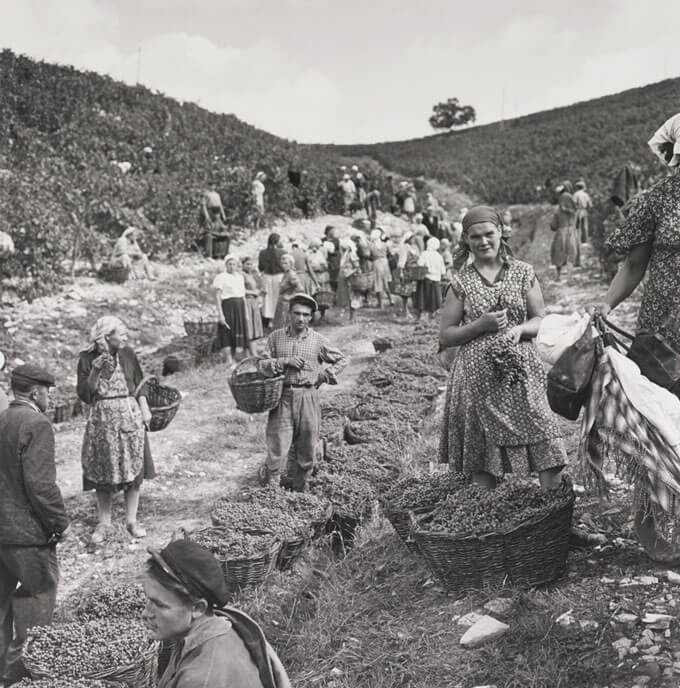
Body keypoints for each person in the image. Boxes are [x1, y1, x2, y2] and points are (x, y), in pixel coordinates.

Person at [588, 114, 680, 561]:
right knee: (653, 424)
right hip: (664, 328)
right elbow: (634, 266)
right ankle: (649, 526)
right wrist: (607, 304)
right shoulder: (656, 201)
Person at [439, 206, 567, 491]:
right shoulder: (461, 282)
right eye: (475, 237)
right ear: (466, 240)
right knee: (483, 454)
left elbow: (539, 318)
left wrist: (520, 329)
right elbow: (446, 335)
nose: (483, 242)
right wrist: (480, 325)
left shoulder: (523, 273)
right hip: (476, 377)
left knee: (546, 436)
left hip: (520, 372)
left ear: (501, 234)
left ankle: (554, 514)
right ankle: (489, 522)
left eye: (489, 234)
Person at [0, 364, 69, 686]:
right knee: (37, 601)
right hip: (26, 536)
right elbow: (41, 486)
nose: (49, 396)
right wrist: (59, 523)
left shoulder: (2, 417)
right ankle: (18, 677)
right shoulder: (36, 423)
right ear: (35, 392)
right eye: (47, 391)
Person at [144, 538, 291, 688]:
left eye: (160, 605)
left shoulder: (201, 679)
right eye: (148, 600)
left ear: (197, 608)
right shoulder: (212, 624)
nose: (146, 613)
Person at [77, 316, 154, 543]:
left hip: (129, 416)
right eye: (122, 333)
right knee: (103, 468)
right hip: (102, 419)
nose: (126, 337)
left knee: (133, 466)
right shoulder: (86, 357)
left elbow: (139, 384)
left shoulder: (127, 354)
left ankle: (132, 520)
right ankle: (104, 522)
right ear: (108, 335)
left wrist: (145, 408)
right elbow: (85, 393)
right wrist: (94, 371)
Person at [257, 294, 347, 490]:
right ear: (288, 314)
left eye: (306, 315)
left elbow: (342, 360)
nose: (300, 318)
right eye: (296, 313)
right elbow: (262, 364)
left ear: (311, 317)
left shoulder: (317, 340)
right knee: (278, 445)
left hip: (308, 397)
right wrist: (283, 362)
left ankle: (301, 490)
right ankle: (273, 492)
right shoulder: (276, 338)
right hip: (283, 396)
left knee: (307, 444)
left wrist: (323, 376)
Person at [214, 256, 254, 364]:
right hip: (228, 306)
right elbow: (217, 296)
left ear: (237, 266)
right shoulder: (221, 277)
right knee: (227, 330)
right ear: (226, 265)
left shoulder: (240, 277)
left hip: (240, 306)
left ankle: (243, 357)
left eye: (234, 264)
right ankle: (229, 359)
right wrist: (220, 315)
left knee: (240, 330)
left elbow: (243, 296)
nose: (232, 266)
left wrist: (245, 312)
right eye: (229, 264)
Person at [550, 181, 579, 280]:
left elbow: (553, 226)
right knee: (571, 253)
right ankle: (569, 276)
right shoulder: (573, 212)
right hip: (571, 231)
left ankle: (558, 276)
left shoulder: (557, 211)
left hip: (561, 232)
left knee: (559, 253)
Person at [415, 237, 446, 319]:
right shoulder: (439, 256)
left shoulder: (424, 254)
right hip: (436, 278)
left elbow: (420, 264)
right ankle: (431, 314)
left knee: (423, 296)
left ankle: (422, 314)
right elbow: (443, 271)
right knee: (433, 297)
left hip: (426, 277)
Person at [258, 233, 284, 329]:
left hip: (267, 276)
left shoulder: (262, 252)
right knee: (277, 297)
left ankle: (268, 319)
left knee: (267, 298)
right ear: (277, 241)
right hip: (279, 276)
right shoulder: (282, 252)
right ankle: (276, 319)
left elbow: (260, 267)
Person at [272, 254, 305, 330]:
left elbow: (301, 289)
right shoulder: (286, 274)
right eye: (282, 263)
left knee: (285, 325)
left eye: (286, 263)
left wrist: (291, 296)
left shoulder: (291, 275)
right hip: (282, 302)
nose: (283, 265)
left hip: (286, 303)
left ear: (291, 264)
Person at [396, 231, 421, 318]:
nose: (413, 240)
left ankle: (412, 309)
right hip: (407, 271)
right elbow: (401, 262)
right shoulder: (405, 248)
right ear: (408, 239)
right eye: (412, 238)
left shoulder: (415, 247)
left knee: (413, 291)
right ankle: (405, 310)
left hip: (415, 271)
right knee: (406, 292)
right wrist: (401, 272)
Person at [336, 238, 361, 321]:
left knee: (352, 296)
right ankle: (350, 316)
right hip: (343, 277)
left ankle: (352, 316)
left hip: (350, 278)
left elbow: (357, 267)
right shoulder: (344, 255)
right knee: (345, 296)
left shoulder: (351, 255)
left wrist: (349, 273)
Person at [201, 190, 230, 259]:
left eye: (218, 214)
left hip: (217, 233)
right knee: (208, 237)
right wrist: (217, 233)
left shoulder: (219, 220)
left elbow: (223, 227)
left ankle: (226, 253)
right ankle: (209, 255)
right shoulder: (208, 220)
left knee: (227, 236)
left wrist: (225, 227)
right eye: (215, 214)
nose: (217, 215)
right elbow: (208, 231)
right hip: (211, 234)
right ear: (211, 213)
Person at [307, 239, 332, 320]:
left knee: (321, 296)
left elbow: (324, 266)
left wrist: (318, 268)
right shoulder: (307, 254)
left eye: (316, 247)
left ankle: (322, 314)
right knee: (311, 296)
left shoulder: (319, 254)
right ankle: (312, 315)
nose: (314, 249)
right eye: (312, 247)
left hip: (319, 276)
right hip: (310, 277)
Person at [242, 257, 264, 344]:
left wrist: (258, 292)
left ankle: (253, 341)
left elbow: (257, 286)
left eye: (251, 264)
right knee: (249, 322)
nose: (249, 266)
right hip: (247, 300)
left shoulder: (251, 274)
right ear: (242, 264)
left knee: (254, 320)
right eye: (247, 264)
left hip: (253, 300)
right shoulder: (242, 275)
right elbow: (240, 289)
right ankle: (248, 341)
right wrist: (253, 292)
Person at [370, 229, 392, 309]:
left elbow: (369, 255)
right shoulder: (385, 244)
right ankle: (391, 299)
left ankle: (380, 303)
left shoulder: (372, 246)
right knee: (385, 281)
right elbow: (390, 253)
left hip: (376, 262)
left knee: (378, 282)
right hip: (385, 262)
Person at [324, 225, 341, 292]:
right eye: (332, 231)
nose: (334, 232)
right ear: (328, 231)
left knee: (335, 279)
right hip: (327, 262)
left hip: (335, 262)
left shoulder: (336, 240)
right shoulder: (323, 240)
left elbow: (338, 251)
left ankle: (336, 293)